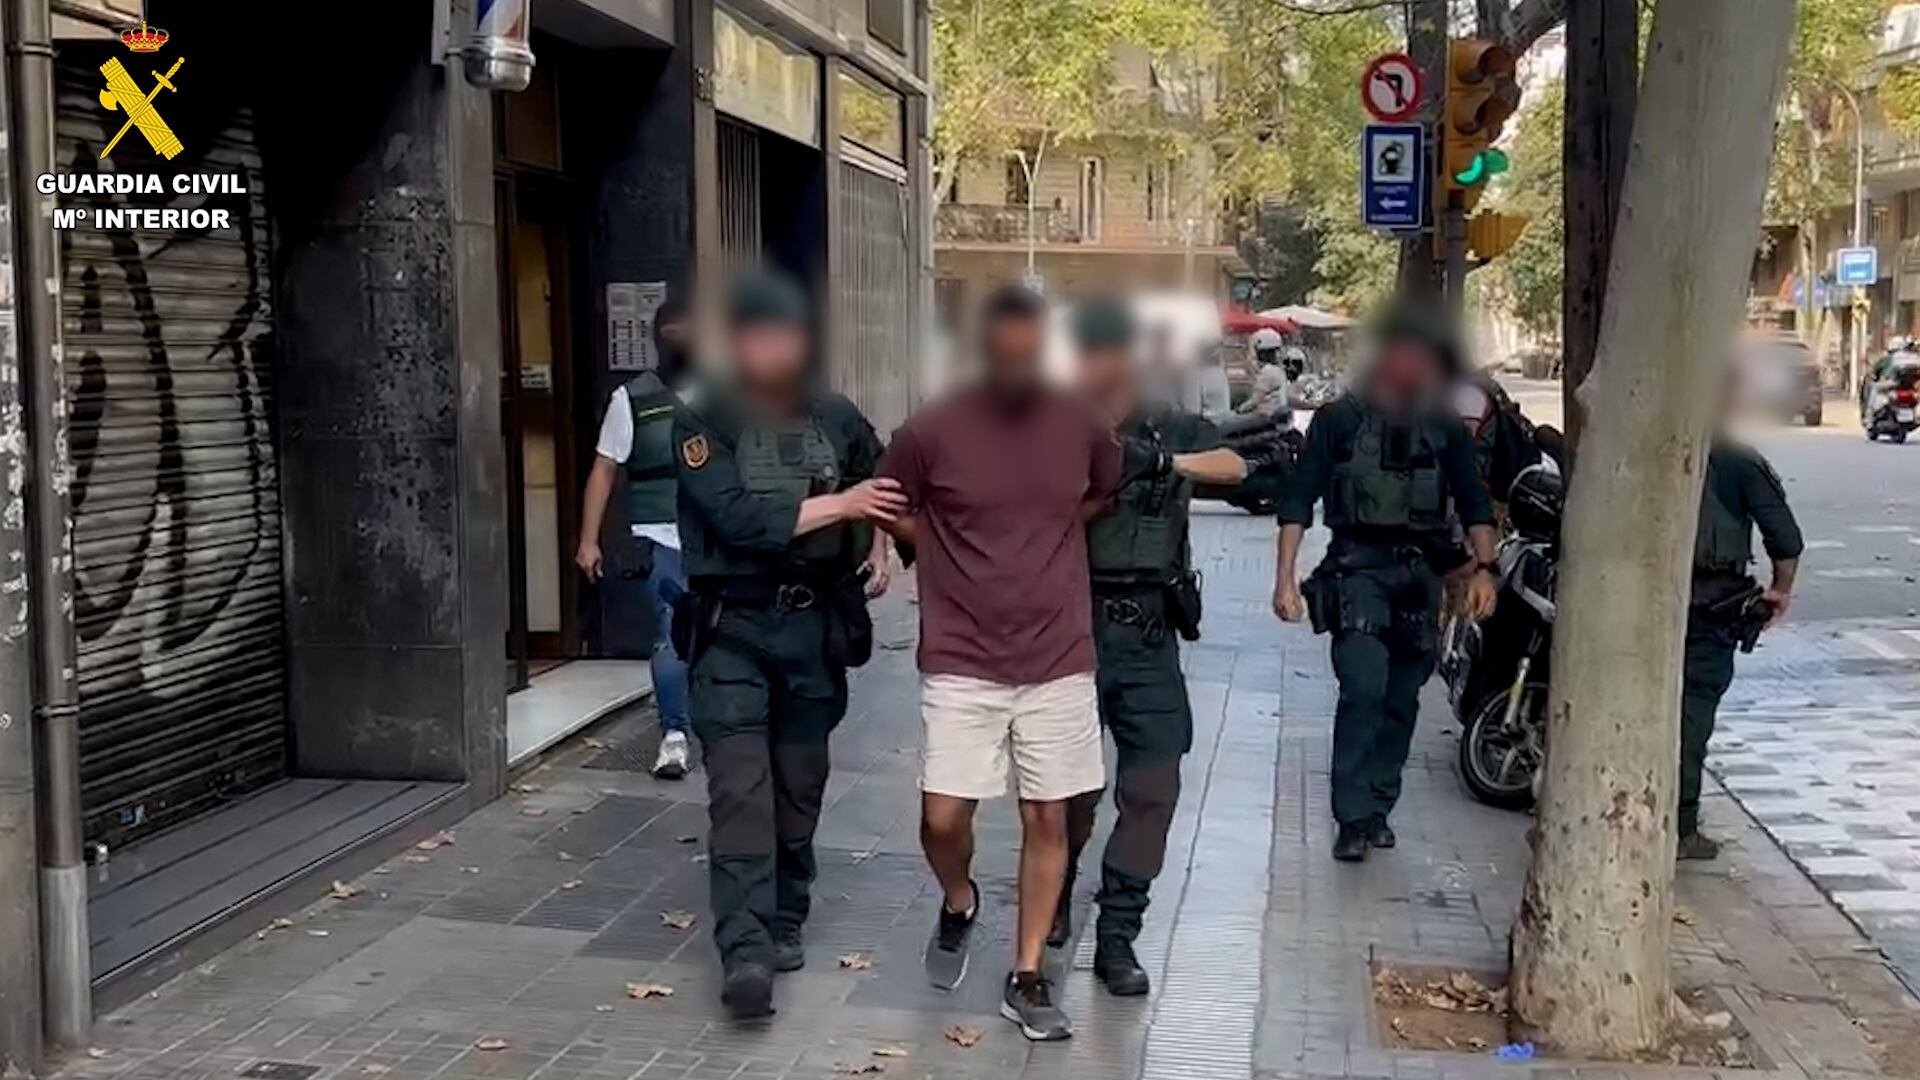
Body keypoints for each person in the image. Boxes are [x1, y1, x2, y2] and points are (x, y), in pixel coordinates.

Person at [879, 286, 1220, 1041]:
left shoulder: (1079, 423)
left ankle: (1028, 974)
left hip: (1062, 652)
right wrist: (930, 547)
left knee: (1051, 813)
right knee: (943, 816)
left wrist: (1055, 525)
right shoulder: (934, 426)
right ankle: (959, 897)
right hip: (964, 655)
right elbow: (888, 496)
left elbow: (1102, 486)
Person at [674, 272, 903, 1019]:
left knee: (798, 784)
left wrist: (882, 544)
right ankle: (744, 950)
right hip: (734, 628)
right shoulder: (703, 419)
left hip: (813, 629)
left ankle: (786, 912)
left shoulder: (833, 414)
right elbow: (738, 519)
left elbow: (885, 476)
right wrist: (845, 504)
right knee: (741, 788)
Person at [1060, 298, 1246, 997]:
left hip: (1146, 632)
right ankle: (1053, 899)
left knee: (1153, 786)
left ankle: (1118, 933)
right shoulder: (1056, 425)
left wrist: (1161, 461)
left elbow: (1233, 463)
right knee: (1067, 795)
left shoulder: (1171, 423)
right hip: (1067, 626)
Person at [1272, 309, 1498, 862]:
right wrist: (1285, 579)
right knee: (1363, 690)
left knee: (1402, 700)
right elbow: (1299, 497)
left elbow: (1472, 500)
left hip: (1421, 575)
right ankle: (1351, 817)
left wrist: (1485, 571)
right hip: (1357, 571)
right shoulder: (1339, 421)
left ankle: (1378, 808)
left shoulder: (1442, 425)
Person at [576, 294, 698, 779]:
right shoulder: (631, 400)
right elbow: (604, 469)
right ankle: (674, 735)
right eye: (673, 335)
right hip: (659, 538)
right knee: (670, 633)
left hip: (718, 541)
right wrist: (589, 540)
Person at [1681, 432, 1802, 860]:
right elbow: (1785, 538)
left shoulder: (1632, 442)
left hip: (1636, 601)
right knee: (1692, 713)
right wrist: (1780, 590)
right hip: (1709, 608)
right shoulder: (1735, 460)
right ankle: (1679, 828)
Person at [1240, 328, 1293, 421]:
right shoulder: (1279, 371)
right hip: (1278, 416)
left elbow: (1255, 399)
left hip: (1265, 418)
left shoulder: (1268, 372)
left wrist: (1239, 410)